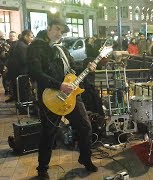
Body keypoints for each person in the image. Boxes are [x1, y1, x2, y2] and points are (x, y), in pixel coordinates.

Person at [27, 17, 98, 179]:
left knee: (85, 126)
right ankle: (42, 169)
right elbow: (35, 73)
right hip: (50, 97)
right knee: (49, 133)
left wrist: (87, 66)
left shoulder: (62, 49)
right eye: (57, 29)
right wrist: (59, 85)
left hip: (71, 95)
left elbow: (72, 69)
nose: (59, 33)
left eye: (62, 30)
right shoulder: (36, 47)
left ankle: (85, 158)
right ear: (49, 28)